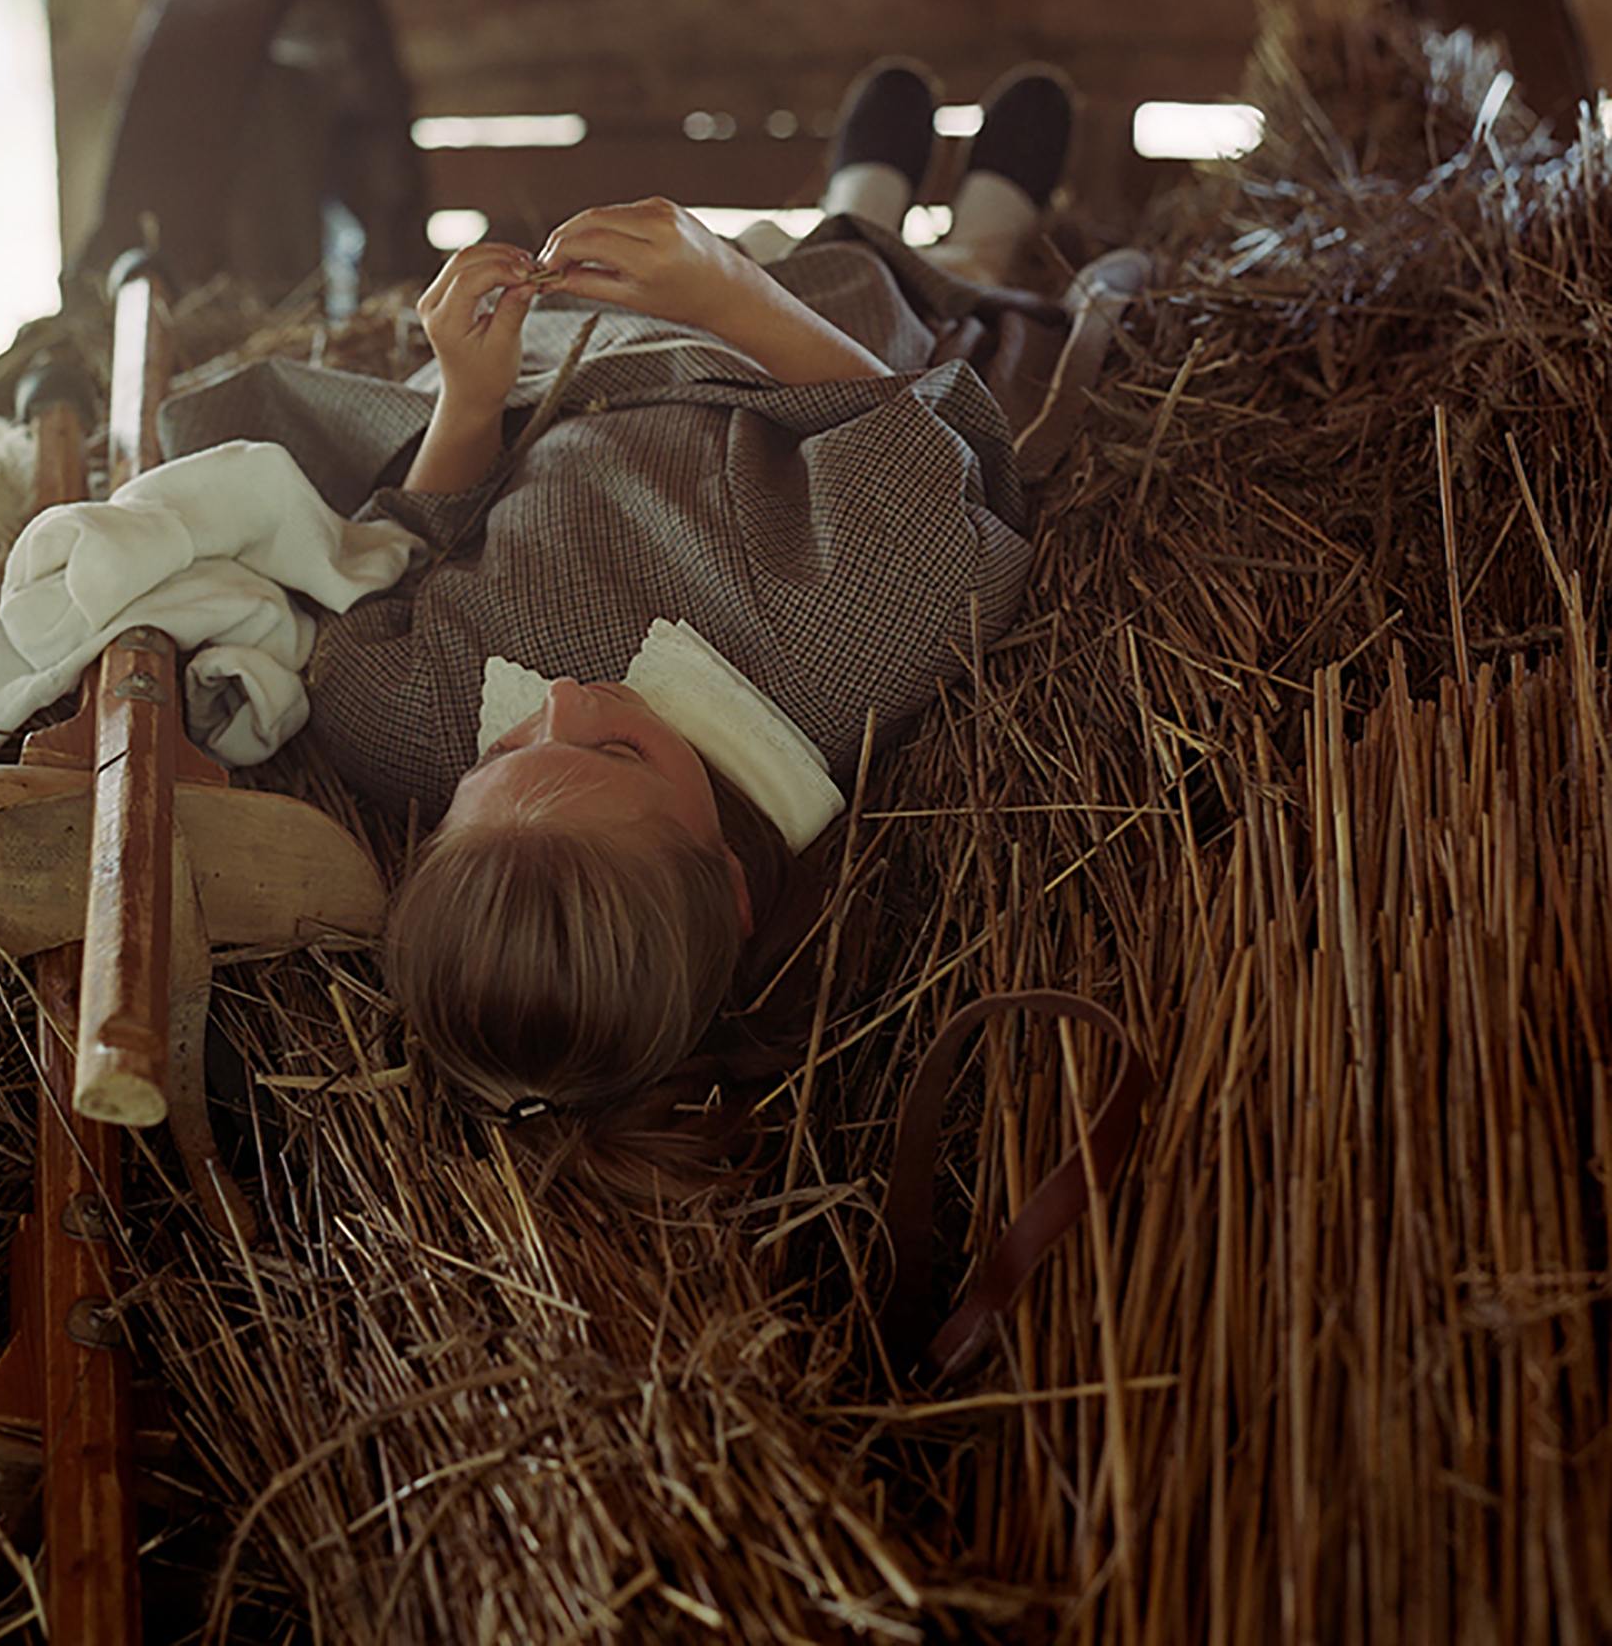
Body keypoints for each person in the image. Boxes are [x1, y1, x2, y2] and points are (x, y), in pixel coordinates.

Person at [157, 59, 1095, 1193]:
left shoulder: (405, 723)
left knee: (811, 237)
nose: (560, 701)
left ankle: (871, 187)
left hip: (565, 365)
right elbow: (908, 426)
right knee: (888, 278)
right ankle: (975, 224)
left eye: (505, 756)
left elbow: (399, 539)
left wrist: (463, 393)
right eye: (614, 751)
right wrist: (732, 296)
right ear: (732, 883)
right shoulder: (853, 641)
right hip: (776, 352)